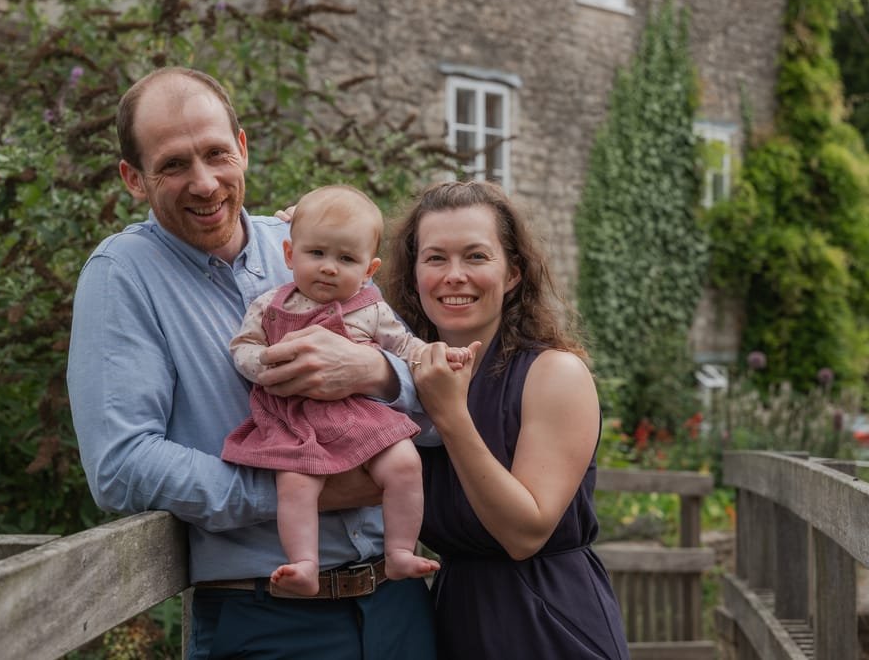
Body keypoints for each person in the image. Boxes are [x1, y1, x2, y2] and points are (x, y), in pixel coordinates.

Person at [66, 67, 436, 659]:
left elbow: (435, 395)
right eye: (173, 165)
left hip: (398, 606)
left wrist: (375, 373)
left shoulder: (313, 247)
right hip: (267, 619)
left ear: (243, 148)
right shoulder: (122, 276)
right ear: (134, 179)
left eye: (216, 154)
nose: (205, 183)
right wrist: (297, 491)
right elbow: (121, 463)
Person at [385, 180, 630, 659]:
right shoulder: (403, 378)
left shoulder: (554, 374)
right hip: (454, 618)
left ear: (513, 273)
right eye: (435, 258)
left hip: (547, 621)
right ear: (414, 273)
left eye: (476, 256)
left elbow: (524, 534)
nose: (454, 275)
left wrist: (450, 415)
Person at [222, 184, 469, 596]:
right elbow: (243, 346)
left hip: (360, 414)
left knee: (406, 463)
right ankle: (304, 561)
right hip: (295, 418)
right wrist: (262, 366)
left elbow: (406, 347)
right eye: (316, 254)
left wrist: (437, 354)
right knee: (296, 482)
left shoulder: (371, 308)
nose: (329, 268)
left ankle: (400, 550)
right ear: (289, 255)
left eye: (346, 259)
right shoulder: (270, 305)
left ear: (369, 270)